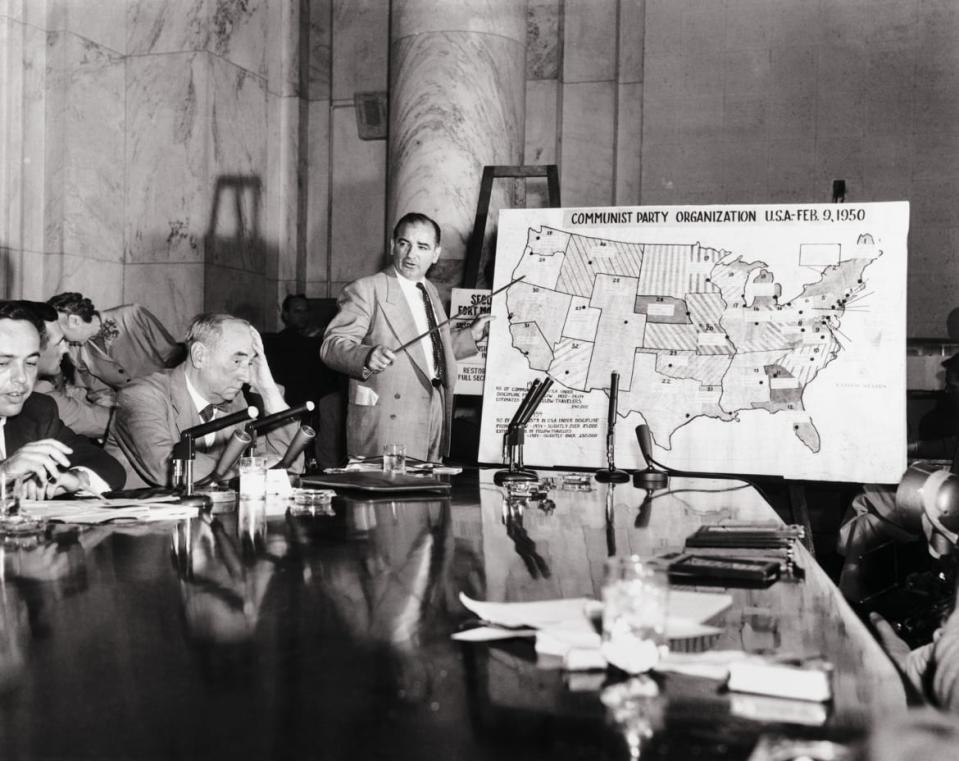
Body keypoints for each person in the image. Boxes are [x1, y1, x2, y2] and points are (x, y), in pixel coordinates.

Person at [320, 212, 490, 462]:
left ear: (436, 254)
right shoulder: (367, 289)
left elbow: (423, 349)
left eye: (422, 247)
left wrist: (469, 336)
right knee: (391, 495)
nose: (411, 255)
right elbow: (331, 346)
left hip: (433, 410)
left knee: (428, 492)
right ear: (392, 245)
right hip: (389, 418)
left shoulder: (429, 290)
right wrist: (366, 355)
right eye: (404, 243)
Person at [106, 313, 302, 489]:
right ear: (200, 356)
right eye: (237, 361)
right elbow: (169, 466)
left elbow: (287, 468)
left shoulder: (237, 402)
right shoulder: (140, 396)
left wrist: (268, 391)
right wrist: (250, 472)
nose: (245, 375)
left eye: (250, 363)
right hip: (138, 522)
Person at [0, 301, 126, 498]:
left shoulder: (38, 410)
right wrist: (4, 473)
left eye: (31, 363)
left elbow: (108, 466)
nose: (22, 378)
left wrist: (76, 478)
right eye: (3, 363)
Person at [47, 292, 184, 405]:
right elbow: (99, 392)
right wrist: (115, 401)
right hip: (132, 409)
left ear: (75, 321)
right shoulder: (75, 351)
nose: (62, 342)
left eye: (61, 333)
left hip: (171, 398)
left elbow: (173, 355)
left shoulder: (132, 315)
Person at [263, 294, 344, 467]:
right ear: (285, 314)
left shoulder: (318, 343)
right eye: (297, 311)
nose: (303, 315)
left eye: (306, 311)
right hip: (289, 405)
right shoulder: (277, 343)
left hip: (317, 405)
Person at [33, 313, 112, 440]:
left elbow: (72, 394)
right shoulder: (41, 398)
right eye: (59, 342)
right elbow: (100, 423)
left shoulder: (43, 382)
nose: (65, 349)